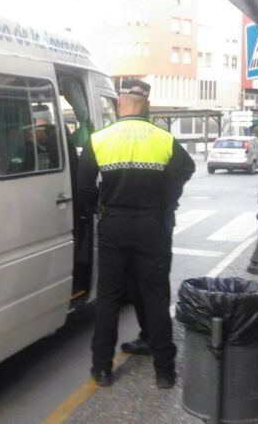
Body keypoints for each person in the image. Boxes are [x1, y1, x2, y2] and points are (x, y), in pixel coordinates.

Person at [76, 79, 195, 389]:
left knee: (109, 298)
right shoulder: (163, 138)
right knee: (155, 296)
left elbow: (84, 185)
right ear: (146, 105)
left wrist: (96, 206)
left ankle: (102, 368)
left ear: (119, 104)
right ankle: (165, 372)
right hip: (152, 226)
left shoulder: (100, 139)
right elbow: (187, 167)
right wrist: (166, 197)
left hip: (113, 225)